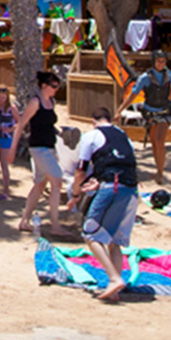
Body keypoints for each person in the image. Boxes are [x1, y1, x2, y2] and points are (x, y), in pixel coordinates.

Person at [67, 106, 140, 295]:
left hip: (111, 188)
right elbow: (125, 163)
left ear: (94, 121)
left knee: (90, 234)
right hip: (131, 190)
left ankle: (115, 279)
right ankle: (114, 291)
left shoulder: (91, 136)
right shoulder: (123, 135)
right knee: (114, 240)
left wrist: (75, 195)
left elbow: (81, 169)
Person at [16, 72, 65, 233]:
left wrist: (61, 133)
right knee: (57, 181)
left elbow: (48, 125)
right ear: (44, 86)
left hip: (50, 147)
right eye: (54, 86)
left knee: (40, 184)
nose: (56, 89)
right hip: (38, 148)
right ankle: (55, 225)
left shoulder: (51, 102)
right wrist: (12, 148)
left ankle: (24, 220)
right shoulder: (35, 102)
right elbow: (22, 124)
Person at [124, 51, 171, 183]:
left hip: (164, 111)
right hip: (150, 112)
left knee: (160, 140)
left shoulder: (169, 75)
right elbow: (133, 95)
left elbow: (170, 91)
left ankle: (160, 173)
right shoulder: (145, 77)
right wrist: (119, 110)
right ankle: (158, 169)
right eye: (158, 61)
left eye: (163, 61)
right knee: (154, 142)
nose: (161, 64)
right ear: (153, 62)